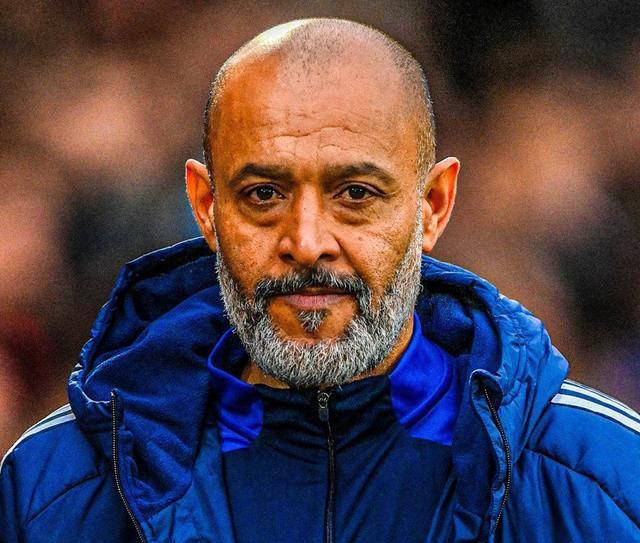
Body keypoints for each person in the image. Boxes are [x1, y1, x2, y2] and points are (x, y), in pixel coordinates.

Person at [1, 18, 638, 543]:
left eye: (355, 194)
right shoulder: (50, 491)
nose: (307, 243)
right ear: (206, 206)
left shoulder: (607, 481)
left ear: (433, 206)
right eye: (263, 194)